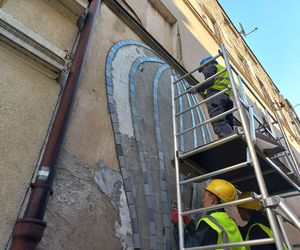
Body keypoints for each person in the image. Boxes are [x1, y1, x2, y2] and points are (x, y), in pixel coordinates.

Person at [172, 179, 245, 249]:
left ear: (212, 199)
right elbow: (203, 239)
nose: (202, 200)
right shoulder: (230, 222)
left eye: (204, 196)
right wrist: (189, 223)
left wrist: (177, 224)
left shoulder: (210, 222)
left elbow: (186, 247)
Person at [195, 56, 234, 138]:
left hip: (216, 97)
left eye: (202, 69)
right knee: (228, 122)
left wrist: (195, 88)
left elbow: (209, 81)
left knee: (217, 120)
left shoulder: (211, 67)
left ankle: (230, 141)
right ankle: (234, 137)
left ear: (207, 63)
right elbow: (216, 83)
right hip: (225, 97)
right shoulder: (222, 69)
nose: (203, 72)